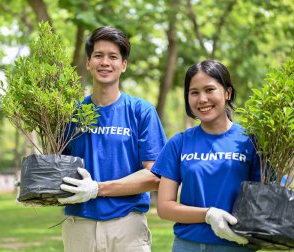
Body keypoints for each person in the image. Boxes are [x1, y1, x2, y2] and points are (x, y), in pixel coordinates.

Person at [58, 26, 167, 252]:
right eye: (98, 55)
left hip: (127, 226)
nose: (105, 62)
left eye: (113, 57)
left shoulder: (141, 111)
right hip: (79, 226)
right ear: (88, 63)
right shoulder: (71, 114)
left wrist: (98, 188)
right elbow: (59, 167)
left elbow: (156, 175)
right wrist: (35, 187)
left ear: (123, 65)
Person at [151, 60, 260, 252]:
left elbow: (265, 199)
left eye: (209, 90)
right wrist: (208, 214)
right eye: (194, 92)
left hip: (237, 246)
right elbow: (165, 207)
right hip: (187, 246)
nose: (202, 99)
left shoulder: (251, 141)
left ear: (228, 93)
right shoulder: (179, 143)